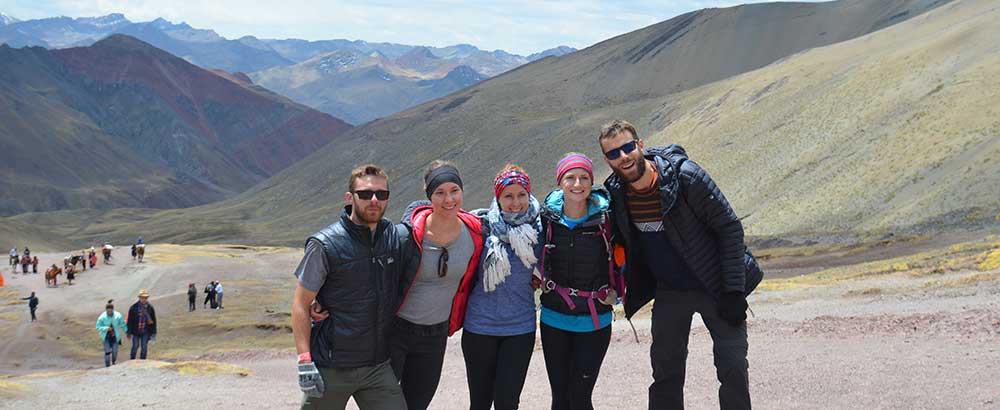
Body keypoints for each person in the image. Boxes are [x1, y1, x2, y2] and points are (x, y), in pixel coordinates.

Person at [599, 120, 762, 410]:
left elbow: (730, 228)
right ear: (607, 159)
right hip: (669, 291)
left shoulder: (686, 177)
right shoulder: (617, 193)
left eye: (627, 147)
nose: (623, 157)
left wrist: (734, 291)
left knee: (733, 367)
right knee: (665, 372)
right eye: (614, 153)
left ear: (640, 145)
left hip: (716, 286)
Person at [291, 164, 407, 409]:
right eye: (365, 194)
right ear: (349, 197)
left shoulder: (393, 238)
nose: (374, 200)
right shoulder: (325, 245)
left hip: (378, 366)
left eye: (381, 194)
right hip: (332, 367)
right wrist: (304, 362)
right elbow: (301, 305)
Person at [393, 160, 485, 410]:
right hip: (396, 332)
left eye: (454, 191)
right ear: (428, 195)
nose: (448, 199)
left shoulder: (475, 234)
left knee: (418, 403)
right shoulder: (407, 236)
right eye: (440, 193)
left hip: (435, 335)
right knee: (384, 403)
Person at [538, 153, 616, 410]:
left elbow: (626, 257)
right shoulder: (546, 219)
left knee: (581, 398)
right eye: (570, 177)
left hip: (594, 320)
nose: (577, 184)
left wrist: (619, 292)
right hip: (553, 318)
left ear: (592, 182)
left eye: (584, 178)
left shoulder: (606, 219)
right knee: (560, 398)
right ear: (560, 182)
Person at [463, 165, 541, 410]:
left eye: (521, 195)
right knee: (480, 402)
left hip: (520, 327)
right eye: (508, 196)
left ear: (529, 195)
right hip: (479, 326)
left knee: (508, 402)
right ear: (498, 197)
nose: (515, 203)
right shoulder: (480, 225)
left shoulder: (540, 229)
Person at [126, 289, 157, 360]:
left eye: (145, 298)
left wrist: (153, 333)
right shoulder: (133, 308)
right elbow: (130, 321)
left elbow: (153, 321)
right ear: (139, 298)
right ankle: (132, 360)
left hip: (146, 331)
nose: (144, 299)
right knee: (135, 346)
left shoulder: (150, 308)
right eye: (142, 297)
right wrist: (129, 332)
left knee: (144, 347)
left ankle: (143, 361)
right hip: (136, 331)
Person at [96, 299, 127, 367]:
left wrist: (127, 331)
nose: (109, 312)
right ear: (106, 310)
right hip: (106, 337)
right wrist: (106, 328)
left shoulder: (118, 315)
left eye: (110, 311)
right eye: (108, 311)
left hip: (115, 337)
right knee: (107, 352)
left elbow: (122, 324)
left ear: (113, 310)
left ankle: (113, 362)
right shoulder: (102, 317)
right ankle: (107, 366)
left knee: (115, 351)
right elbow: (98, 326)